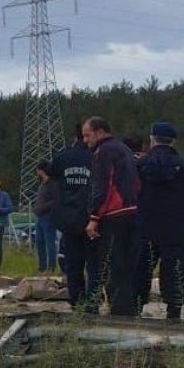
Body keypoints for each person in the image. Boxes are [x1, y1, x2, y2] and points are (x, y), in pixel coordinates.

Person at [83, 116, 140, 316]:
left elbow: (103, 186)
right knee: (126, 266)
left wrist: (94, 217)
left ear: (100, 132)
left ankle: (118, 312)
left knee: (111, 265)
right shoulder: (124, 149)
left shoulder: (103, 152)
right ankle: (128, 309)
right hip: (131, 212)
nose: (85, 140)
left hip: (113, 215)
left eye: (87, 135)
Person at [135, 122, 184, 319]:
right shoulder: (183, 167)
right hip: (177, 228)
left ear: (152, 139)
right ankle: (174, 311)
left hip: (145, 225)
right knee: (174, 270)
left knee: (141, 268)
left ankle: (136, 308)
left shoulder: (140, 165)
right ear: (173, 141)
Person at [51, 124, 97, 308]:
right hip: (92, 219)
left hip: (69, 220)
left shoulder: (63, 157)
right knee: (94, 266)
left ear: (75, 138)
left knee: (73, 266)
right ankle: (93, 303)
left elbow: (51, 174)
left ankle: (77, 303)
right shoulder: (95, 157)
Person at [32, 162, 60, 274]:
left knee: (49, 242)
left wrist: (43, 207)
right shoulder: (42, 184)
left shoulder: (52, 184)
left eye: (37, 170)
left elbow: (56, 200)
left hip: (48, 217)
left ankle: (51, 267)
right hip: (39, 217)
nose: (36, 173)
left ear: (41, 171)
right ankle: (42, 267)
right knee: (39, 241)